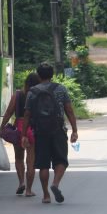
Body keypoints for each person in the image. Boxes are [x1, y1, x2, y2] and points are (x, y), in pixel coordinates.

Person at [21, 63, 78, 204]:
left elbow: (27, 114)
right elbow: (69, 110)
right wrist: (74, 130)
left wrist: (24, 134)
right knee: (61, 160)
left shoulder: (32, 92)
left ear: (39, 75)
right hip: (58, 130)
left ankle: (46, 195)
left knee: (43, 164)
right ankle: (55, 184)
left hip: (40, 131)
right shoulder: (60, 89)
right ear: (52, 75)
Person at [0, 72, 40, 197]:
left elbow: (8, 112)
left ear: (26, 82)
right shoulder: (39, 95)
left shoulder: (17, 95)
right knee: (31, 161)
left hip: (19, 128)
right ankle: (29, 190)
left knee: (19, 158)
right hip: (33, 128)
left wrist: (2, 127)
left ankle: (21, 182)